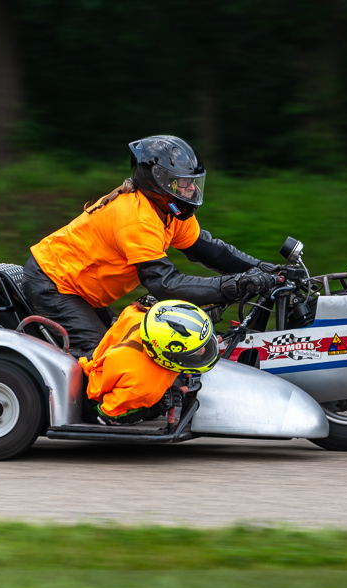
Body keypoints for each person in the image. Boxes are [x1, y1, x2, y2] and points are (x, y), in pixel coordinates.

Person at [23, 134, 277, 357]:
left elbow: (211, 251)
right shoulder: (138, 219)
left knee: (127, 346)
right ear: (159, 181)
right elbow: (164, 284)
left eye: (193, 184)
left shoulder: (170, 212)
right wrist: (232, 286)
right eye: (183, 184)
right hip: (55, 283)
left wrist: (266, 269)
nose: (190, 191)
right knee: (106, 359)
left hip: (81, 288)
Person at [79, 297, 219, 425]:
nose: (205, 351)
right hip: (96, 400)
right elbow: (105, 414)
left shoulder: (136, 314)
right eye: (194, 350)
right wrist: (159, 407)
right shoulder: (147, 387)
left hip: (97, 360)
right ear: (168, 354)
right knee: (172, 394)